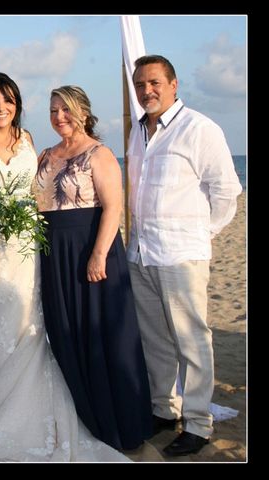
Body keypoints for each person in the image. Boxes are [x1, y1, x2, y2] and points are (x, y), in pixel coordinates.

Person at [0, 73, 129, 462]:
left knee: (28, 323)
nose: (0, 108)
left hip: (25, 245)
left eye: (7, 101)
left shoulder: (30, 142)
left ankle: (27, 404)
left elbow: (39, 193)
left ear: (17, 104)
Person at [126, 55, 242, 456]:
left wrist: (199, 233)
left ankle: (198, 424)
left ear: (174, 84)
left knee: (192, 340)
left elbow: (226, 192)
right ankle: (164, 408)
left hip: (181, 254)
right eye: (140, 84)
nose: (147, 91)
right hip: (141, 253)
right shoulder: (137, 131)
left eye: (155, 82)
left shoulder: (199, 128)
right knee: (155, 339)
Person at [34, 85, 153, 451]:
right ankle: (82, 414)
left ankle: (119, 424)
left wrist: (99, 254)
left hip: (91, 249)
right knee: (65, 331)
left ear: (83, 112)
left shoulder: (99, 154)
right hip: (53, 253)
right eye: (54, 110)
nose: (59, 117)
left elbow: (114, 208)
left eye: (66, 110)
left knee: (102, 335)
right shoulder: (44, 155)